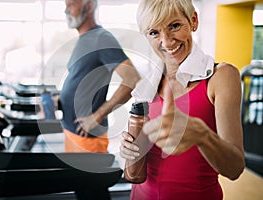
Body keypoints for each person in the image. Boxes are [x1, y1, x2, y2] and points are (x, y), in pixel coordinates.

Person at [120, 0, 245, 199]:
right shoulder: (146, 86)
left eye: (175, 26)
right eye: (154, 32)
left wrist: (202, 135)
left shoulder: (220, 77)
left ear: (193, 21)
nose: (167, 42)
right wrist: (129, 149)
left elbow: (235, 168)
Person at [59, 0, 140, 153]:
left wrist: (96, 117)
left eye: (71, 5)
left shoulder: (101, 38)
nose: (66, 10)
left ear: (89, 6)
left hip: (88, 139)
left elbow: (132, 79)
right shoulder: (84, 39)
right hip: (72, 132)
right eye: (65, 5)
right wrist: (61, 98)